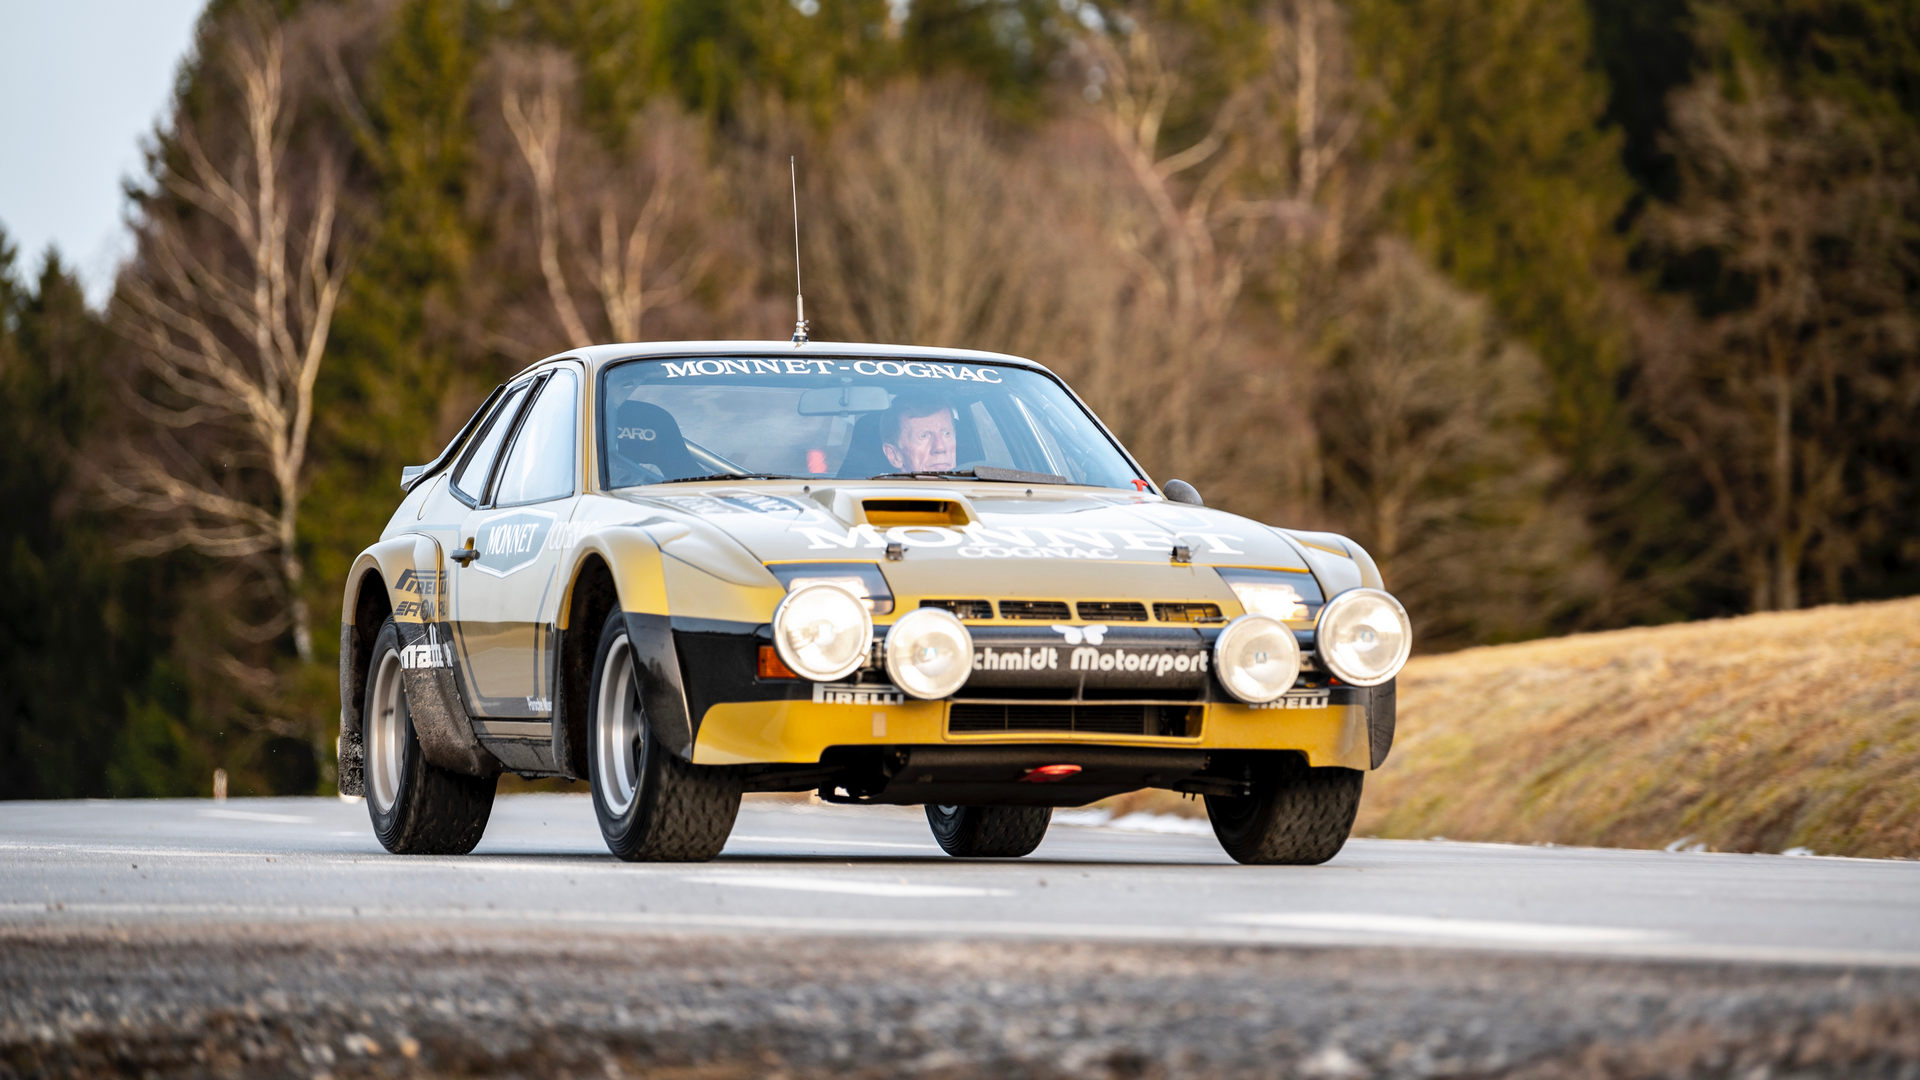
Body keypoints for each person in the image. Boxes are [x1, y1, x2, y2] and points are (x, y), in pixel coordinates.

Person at [880, 394, 957, 473]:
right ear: (894, 455)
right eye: (923, 436)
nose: (940, 448)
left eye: (947, 434)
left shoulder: (969, 480)